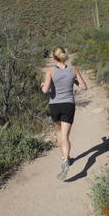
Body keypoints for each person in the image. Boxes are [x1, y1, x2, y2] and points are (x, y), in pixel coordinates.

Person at [41, 46, 88, 180]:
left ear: (54, 57)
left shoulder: (50, 70)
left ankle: (64, 158)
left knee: (59, 133)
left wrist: (42, 85)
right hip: (68, 105)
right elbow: (84, 87)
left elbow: (45, 90)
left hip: (55, 105)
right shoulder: (73, 69)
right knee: (65, 136)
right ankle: (66, 160)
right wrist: (74, 81)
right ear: (64, 55)